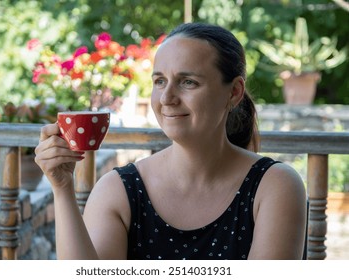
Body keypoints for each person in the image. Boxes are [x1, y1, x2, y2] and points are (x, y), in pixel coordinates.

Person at [35, 22, 307, 260]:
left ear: (234, 92)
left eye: (188, 82)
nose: (167, 98)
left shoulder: (274, 186)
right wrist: (62, 189)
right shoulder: (118, 190)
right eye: (160, 81)